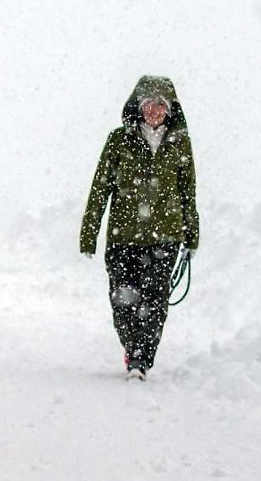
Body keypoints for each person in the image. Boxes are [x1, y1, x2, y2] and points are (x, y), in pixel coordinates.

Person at [79, 75, 200, 380]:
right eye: (149, 104)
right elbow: (99, 189)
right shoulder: (118, 140)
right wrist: (89, 234)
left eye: (161, 104)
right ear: (138, 106)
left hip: (166, 236)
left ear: (170, 109)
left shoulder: (180, 142)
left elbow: (188, 191)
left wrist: (191, 234)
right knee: (123, 299)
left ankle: (140, 360)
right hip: (124, 237)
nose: (155, 110)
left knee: (155, 300)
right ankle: (131, 346)